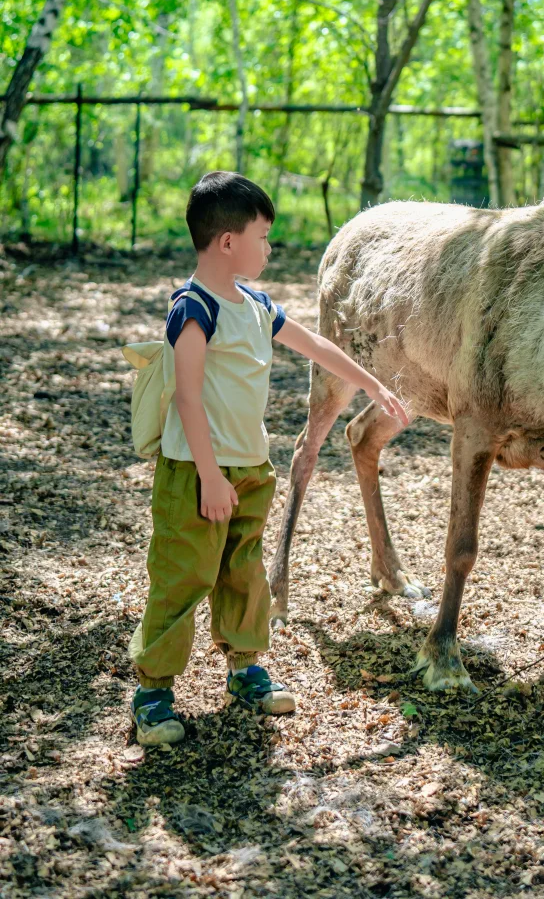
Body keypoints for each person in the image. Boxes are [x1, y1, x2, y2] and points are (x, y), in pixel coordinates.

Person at [128, 171, 409, 746]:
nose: (270, 248)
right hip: (195, 471)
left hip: (251, 467)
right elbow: (185, 396)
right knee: (184, 575)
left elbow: (316, 345)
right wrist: (208, 476)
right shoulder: (194, 308)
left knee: (243, 571)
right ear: (228, 242)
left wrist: (372, 383)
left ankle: (244, 669)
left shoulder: (255, 304)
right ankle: (153, 692)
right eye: (263, 236)